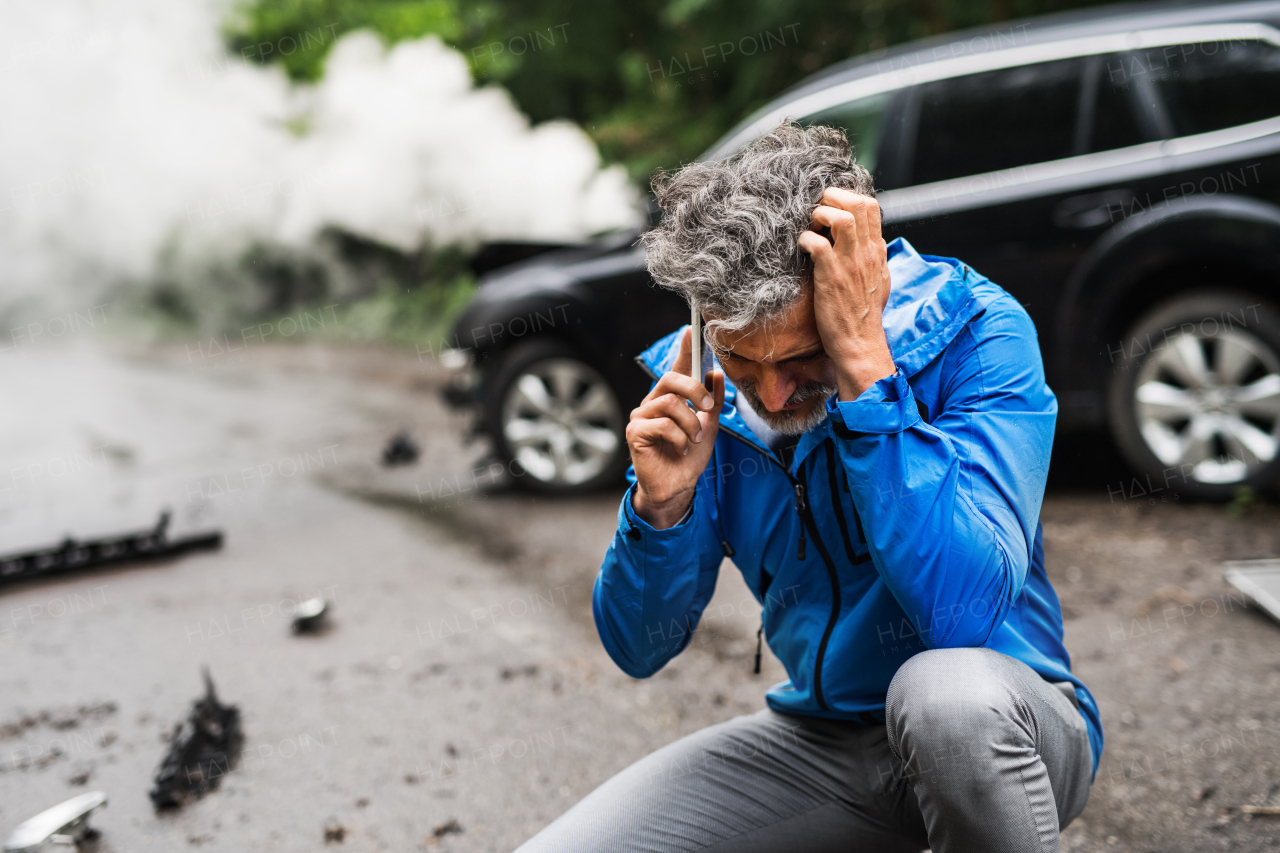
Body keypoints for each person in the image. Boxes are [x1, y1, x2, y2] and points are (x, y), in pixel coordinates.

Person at [516, 123, 1102, 853]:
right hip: (820, 745)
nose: (771, 391)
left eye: (800, 356)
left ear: (858, 292)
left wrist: (865, 375)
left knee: (943, 697)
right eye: (742, 357)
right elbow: (640, 647)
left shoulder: (978, 333)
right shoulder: (702, 391)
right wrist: (659, 509)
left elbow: (962, 614)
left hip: (1007, 727)